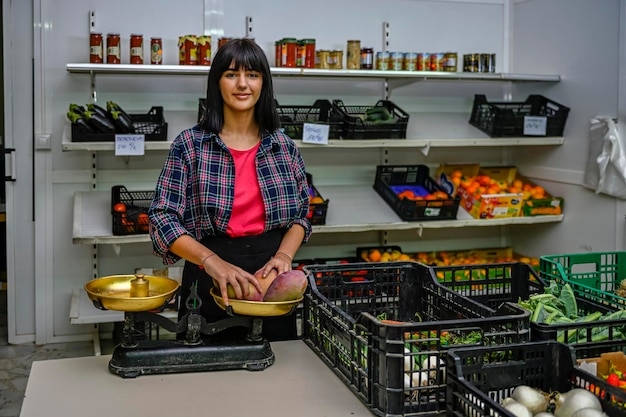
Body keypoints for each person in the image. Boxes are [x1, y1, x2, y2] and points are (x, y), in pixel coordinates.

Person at [148, 38, 312, 341]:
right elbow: (162, 218)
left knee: (275, 372)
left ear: (264, 83)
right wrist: (212, 262)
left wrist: (285, 257)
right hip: (208, 277)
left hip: (269, 282)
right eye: (231, 74)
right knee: (208, 379)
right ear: (217, 83)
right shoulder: (191, 145)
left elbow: (301, 215)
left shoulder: (284, 147)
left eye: (252, 74)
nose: (242, 84)